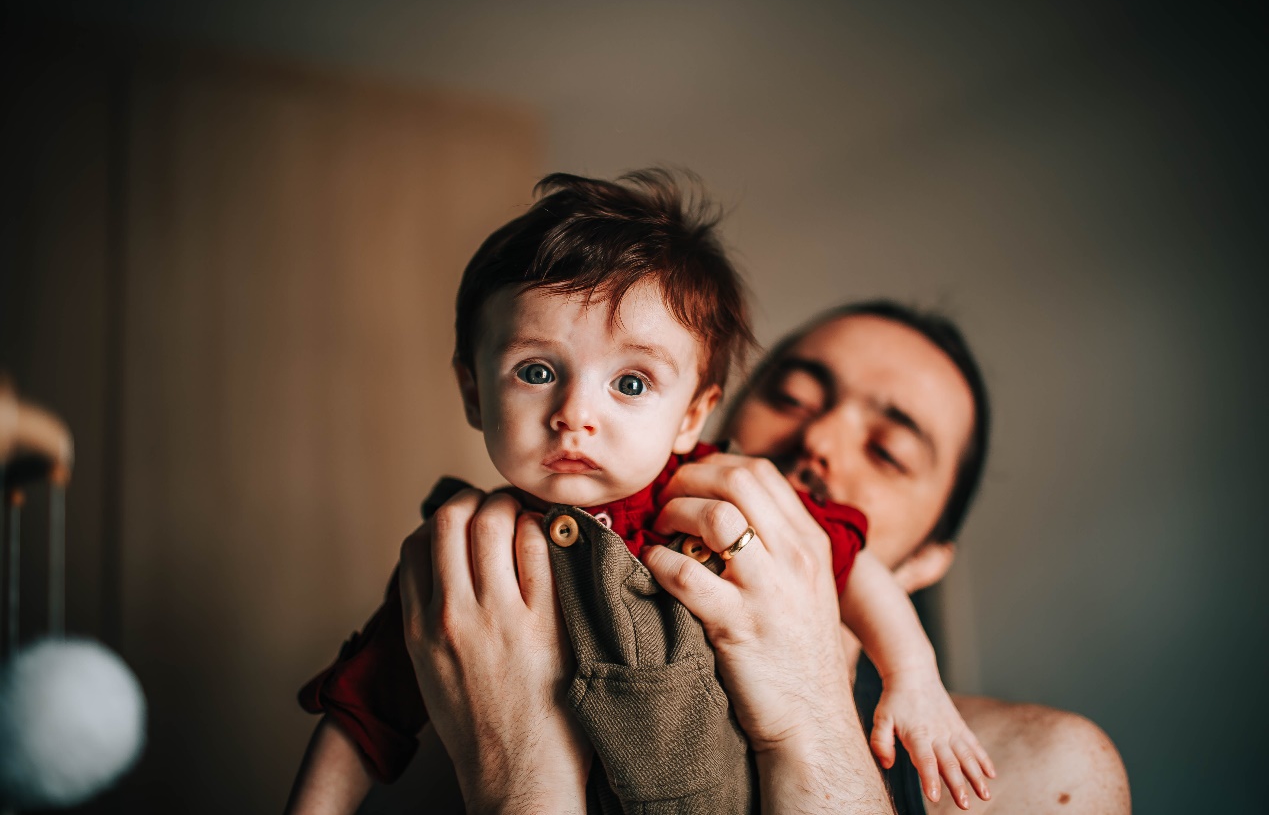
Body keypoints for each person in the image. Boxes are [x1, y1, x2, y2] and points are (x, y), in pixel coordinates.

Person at [287, 171, 991, 813]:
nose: (575, 413)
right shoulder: (466, 559)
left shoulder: (716, 507)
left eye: (629, 383)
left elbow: (838, 557)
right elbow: (362, 713)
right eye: (535, 370)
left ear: (692, 416)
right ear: (473, 390)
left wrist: (915, 677)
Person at [390, 300, 1131, 814]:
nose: (820, 442)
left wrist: (813, 710)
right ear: (697, 424)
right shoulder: (482, 672)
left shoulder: (1043, 773)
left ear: (923, 565)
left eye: (886, 450)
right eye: (794, 396)